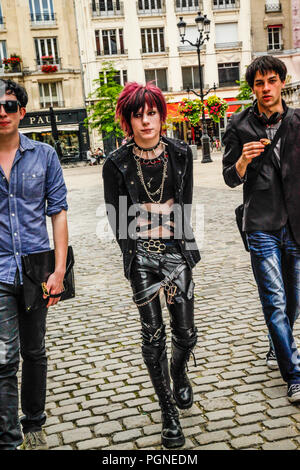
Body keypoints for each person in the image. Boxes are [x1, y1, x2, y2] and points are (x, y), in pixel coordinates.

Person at [102, 82, 200, 448]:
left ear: (161, 114)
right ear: (129, 120)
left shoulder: (180, 152)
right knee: (153, 337)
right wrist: (134, 252)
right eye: (138, 114)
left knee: (186, 334)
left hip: (176, 253)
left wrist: (162, 220)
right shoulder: (116, 163)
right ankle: (168, 414)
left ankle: (178, 373)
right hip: (142, 255)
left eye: (151, 113)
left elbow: (184, 207)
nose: (146, 121)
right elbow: (118, 220)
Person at [222, 55, 300, 403]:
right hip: (260, 225)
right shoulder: (239, 125)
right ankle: (294, 375)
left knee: (294, 300)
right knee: (274, 300)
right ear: (252, 88)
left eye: (271, 80)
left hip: (297, 223)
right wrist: (242, 160)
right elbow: (228, 177)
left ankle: (277, 342)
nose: (266, 88)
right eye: (258, 83)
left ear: (282, 82)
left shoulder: (298, 121)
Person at [0, 79, 69, 450]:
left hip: (35, 270)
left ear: (21, 112)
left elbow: (57, 213)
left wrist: (59, 271)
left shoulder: (44, 155)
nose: (2, 112)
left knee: (34, 351)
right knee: (4, 357)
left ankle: (34, 420)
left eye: (9, 105)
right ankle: (9, 439)